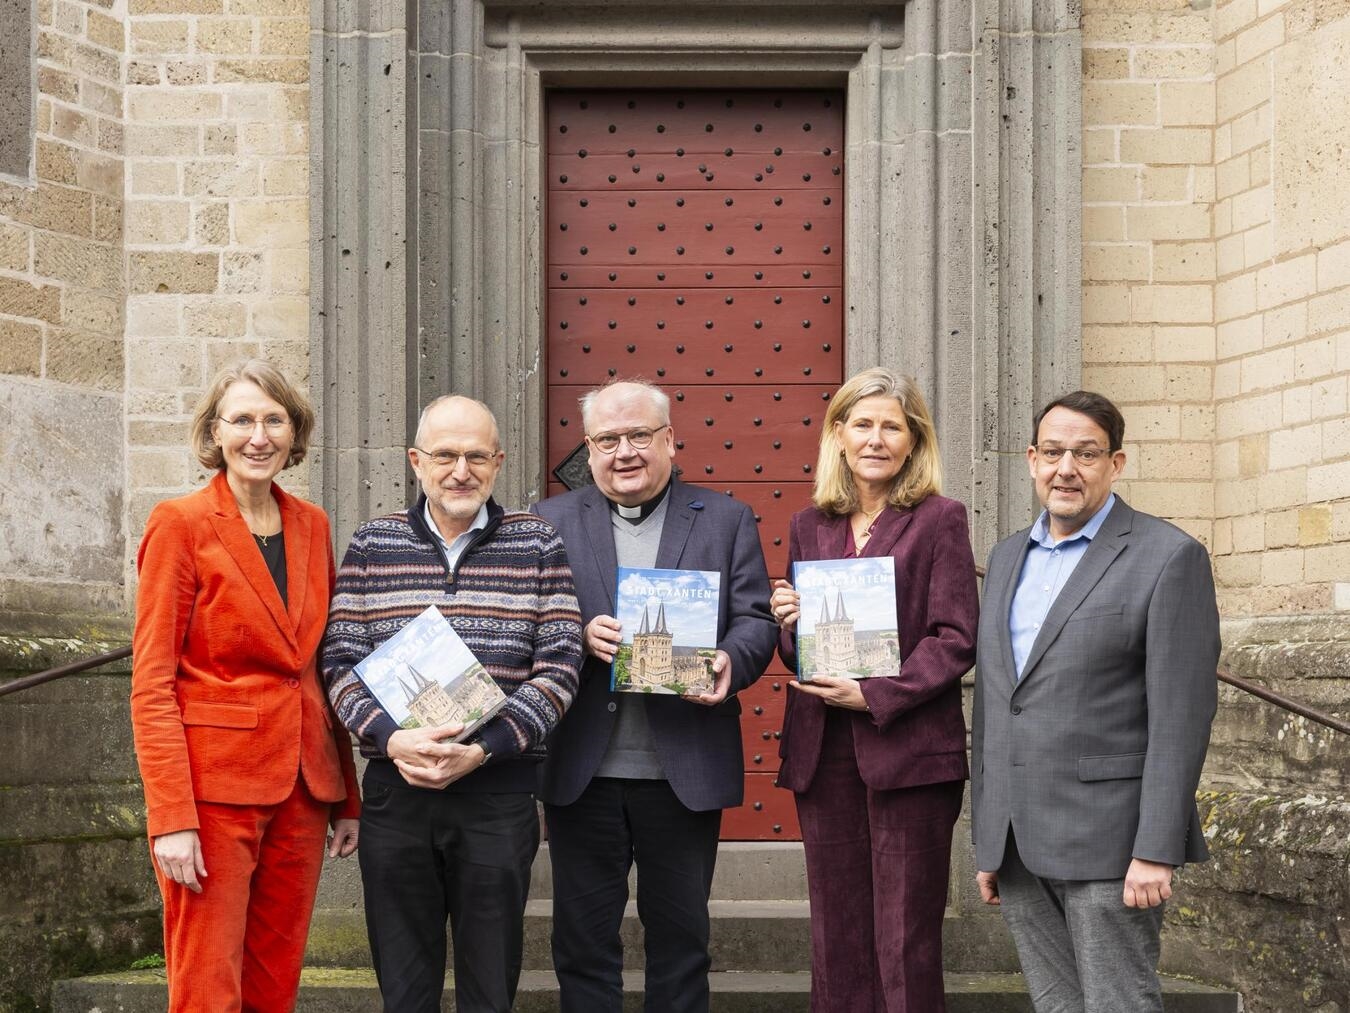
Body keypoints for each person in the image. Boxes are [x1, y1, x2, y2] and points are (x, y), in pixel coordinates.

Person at [321, 394, 582, 1013]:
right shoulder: (373, 543)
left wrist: (484, 749)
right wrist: (390, 738)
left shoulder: (538, 543)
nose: (460, 470)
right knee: (404, 982)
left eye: (475, 456)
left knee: (490, 981)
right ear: (417, 461)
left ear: (497, 462)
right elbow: (338, 661)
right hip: (397, 789)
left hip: (497, 793)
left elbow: (562, 665)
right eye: (444, 455)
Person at [533, 378, 778, 1013]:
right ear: (588, 450)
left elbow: (755, 619)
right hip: (583, 770)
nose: (625, 452)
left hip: (683, 768)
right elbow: (526, 625)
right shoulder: (546, 521)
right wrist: (575, 634)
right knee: (582, 944)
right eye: (607, 439)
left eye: (639, 435)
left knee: (682, 941)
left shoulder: (724, 518)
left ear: (670, 439)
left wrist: (730, 657)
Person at [971, 390, 1220, 1013]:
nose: (1067, 469)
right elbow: (999, 702)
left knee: (1119, 1004)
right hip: (1018, 841)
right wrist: (988, 839)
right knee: (1056, 1005)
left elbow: (1181, 718)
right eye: (1053, 452)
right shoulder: (1006, 558)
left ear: (1117, 463)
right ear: (1031, 460)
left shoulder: (1169, 557)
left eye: (1087, 453)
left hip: (1112, 844)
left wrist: (1156, 849)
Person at [130, 358, 361, 1012]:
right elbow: (151, 682)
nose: (258, 435)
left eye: (273, 419)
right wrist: (171, 816)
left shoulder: (311, 524)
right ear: (215, 431)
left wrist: (344, 794)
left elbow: (315, 667)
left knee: (275, 977)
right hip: (212, 794)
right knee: (207, 983)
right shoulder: (179, 523)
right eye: (242, 419)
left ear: (294, 432)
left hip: (302, 788)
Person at [768, 367, 979, 1012]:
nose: (876, 439)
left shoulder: (939, 519)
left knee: (906, 936)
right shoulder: (811, 524)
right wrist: (788, 623)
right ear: (838, 433)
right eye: (862, 424)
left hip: (908, 749)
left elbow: (955, 636)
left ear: (914, 441)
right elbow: (799, 655)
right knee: (836, 933)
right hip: (824, 749)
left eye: (893, 426)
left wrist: (878, 694)